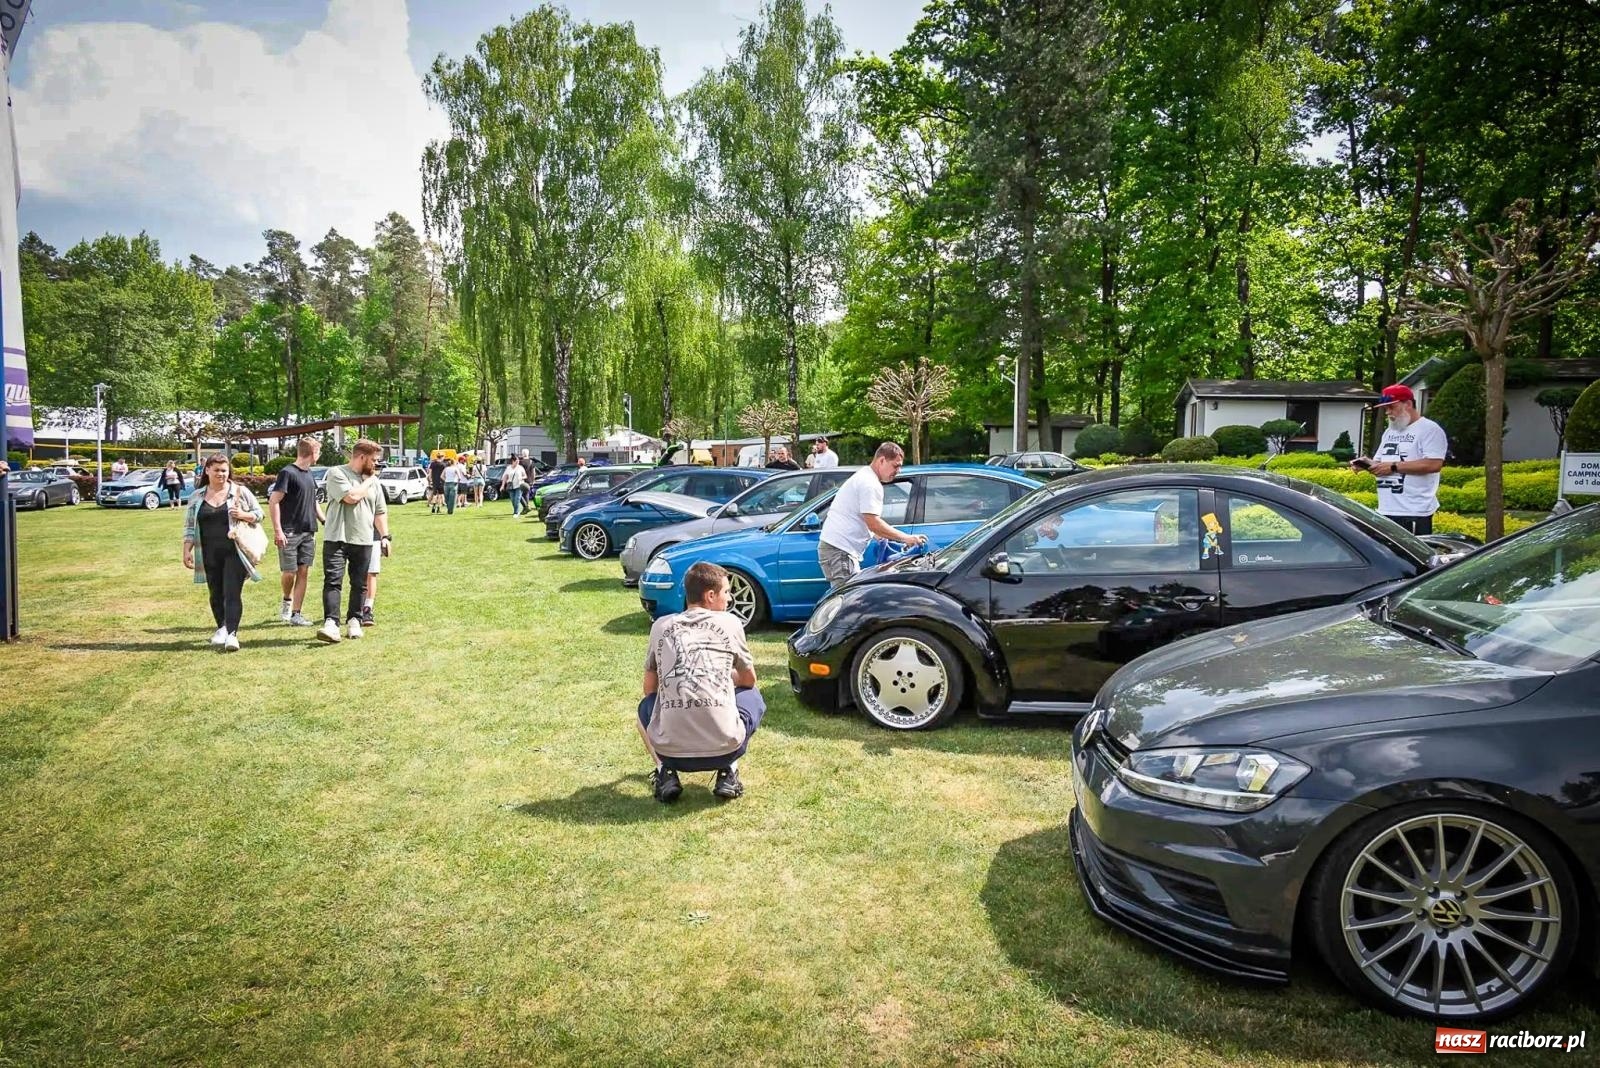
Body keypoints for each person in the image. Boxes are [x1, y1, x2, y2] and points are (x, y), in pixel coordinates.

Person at [639, 561, 766, 803]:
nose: (729, 600)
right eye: (726, 592)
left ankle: (664, 773)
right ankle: (729, 771)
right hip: (725, 747)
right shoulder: (730, 623)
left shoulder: (660, 626)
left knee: (644, 709)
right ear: (710, 595)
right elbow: (749, 680)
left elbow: (649, 690)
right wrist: (725, 678)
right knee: (753, 696)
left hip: (669, 752)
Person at [182, 453, 264, 653]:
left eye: (224, 470)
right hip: (208, 552)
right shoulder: (197, 496)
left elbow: (259, 514)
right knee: (215, 593)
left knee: (231, 592)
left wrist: (243, 515)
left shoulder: (240, 492)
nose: (221, 474)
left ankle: (232, 635)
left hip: (234, 551)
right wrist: (187, 549)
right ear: (207, 470)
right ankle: (222, 627)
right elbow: (190, 527)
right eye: (217, 470)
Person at [817, 442, 926, 588]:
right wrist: (907, 538)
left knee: (849, 597)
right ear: (882, 460)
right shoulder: (870, 484)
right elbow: (873, 523)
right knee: (850, 600)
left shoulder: (864, 475)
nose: (898, 471)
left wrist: (881, 538)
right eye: (895, 465)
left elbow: (863, 518)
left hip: (836, 548)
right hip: (840, 551)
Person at [317, 439, 390, 643]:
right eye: (374, 460)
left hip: (364, 539)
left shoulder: (373, 481)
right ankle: (331, 624)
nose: (376, 464)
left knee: (359, 583)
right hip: (336, 537)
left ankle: (354, 621)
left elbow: (380, 511)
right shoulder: (337, 473)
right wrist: (370, 480)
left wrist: (385, 536)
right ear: (361, 457)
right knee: (333, 581)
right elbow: (351, 497)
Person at [1350, 384, 1448, 535]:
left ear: (1408, 404)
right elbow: (1382, 464)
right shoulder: (1390, 431)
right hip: (1386, 508)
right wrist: (1366, 464)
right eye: (1386, 408)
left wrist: (1393, 467)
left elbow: (1434, 464)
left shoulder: (1429, 429)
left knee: (1411, 557)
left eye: (1391, 407)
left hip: (1413, 511)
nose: (1388, 413)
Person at [268, 437, 325, 626]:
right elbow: (274, 501)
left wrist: (324, 520)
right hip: (289, 531)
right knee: (289, 572)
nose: (320, 455)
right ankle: (287, 599)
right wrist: (278, 531)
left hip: (308, 531)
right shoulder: (287, 473)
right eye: (319, 451)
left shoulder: (309, 474)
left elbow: (313, 501)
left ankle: (296, 614)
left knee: (303, 571)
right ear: (312, 452)